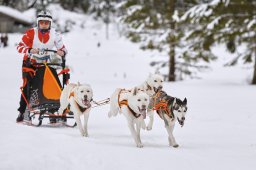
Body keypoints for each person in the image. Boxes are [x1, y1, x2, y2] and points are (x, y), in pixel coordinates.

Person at [16, 10, 67, 122]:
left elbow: (63, 49)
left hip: (46, 64)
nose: (44, 24)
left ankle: (54, 109)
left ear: (50, 24)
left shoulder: (55, 34)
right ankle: (22, 111)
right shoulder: (30, 33)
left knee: (54, 82)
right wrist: (30, 50)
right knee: (27, 85)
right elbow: (19, 47)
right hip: (30, 63)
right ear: (38, 23)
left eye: (46, 22)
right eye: (42, 22)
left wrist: (61, 52)